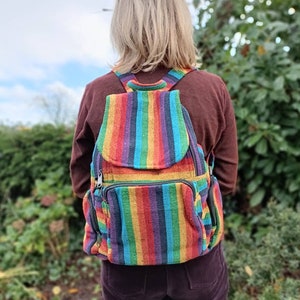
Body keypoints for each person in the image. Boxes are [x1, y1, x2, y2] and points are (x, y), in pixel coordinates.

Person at [70, 0, 238, 299]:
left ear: (122, 26)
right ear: (181, 24)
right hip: (197, 262)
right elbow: (225, 180)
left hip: (124, 263)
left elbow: (81, 181)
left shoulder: (97, 91)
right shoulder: (211, 88)